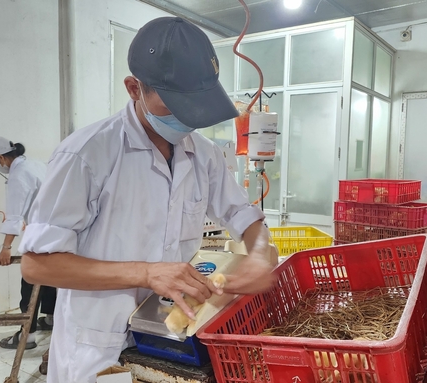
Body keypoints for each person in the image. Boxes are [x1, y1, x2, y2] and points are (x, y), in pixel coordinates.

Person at [18, 17, 276, 382]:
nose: (188, 119)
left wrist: (260, 255)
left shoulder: (204, 155)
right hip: (98, 348)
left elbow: (246, 217)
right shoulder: (87, 155)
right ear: (134, 88)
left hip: (171, 343)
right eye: (174, 104)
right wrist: (146, 273)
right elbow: (37, 266)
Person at [0, 137, 57, 350]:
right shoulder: (35, 164)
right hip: (56, 233)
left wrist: (6, 248)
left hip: (40, 233)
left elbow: (14, 215)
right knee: (50, 276)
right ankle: (50, 319)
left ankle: (28, 335)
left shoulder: (18, 174)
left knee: (30, 279)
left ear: (1, 158)